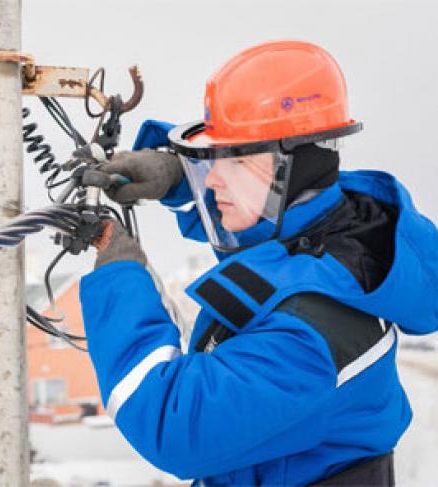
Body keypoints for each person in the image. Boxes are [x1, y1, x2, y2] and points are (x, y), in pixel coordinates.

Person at [79, 40, 438, 486]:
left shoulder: (314, 332)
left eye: (236, 160)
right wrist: (178, 176)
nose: (212, 178)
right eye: (211, 158)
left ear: (296, 170)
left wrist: (120, 277)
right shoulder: (339, 244)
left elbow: (173, 423)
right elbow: (261, 240)